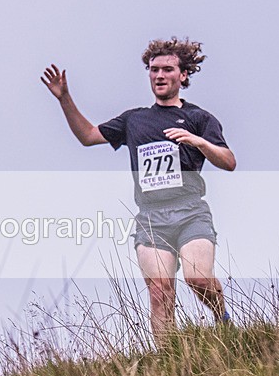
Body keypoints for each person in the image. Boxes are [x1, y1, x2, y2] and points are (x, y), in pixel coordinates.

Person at [41, 37, 236, 343]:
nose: (159, 75)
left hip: (190, 211)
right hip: (151, 217)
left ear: (183, 75)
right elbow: (88, 136)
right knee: (159, 292)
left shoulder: (199, 118)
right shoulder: (134, 120)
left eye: (167, 69)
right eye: (154, 69)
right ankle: (169, 360)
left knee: (198, 279)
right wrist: (64, 98)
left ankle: (222, 317)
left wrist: (197, 141)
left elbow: (228, 161)